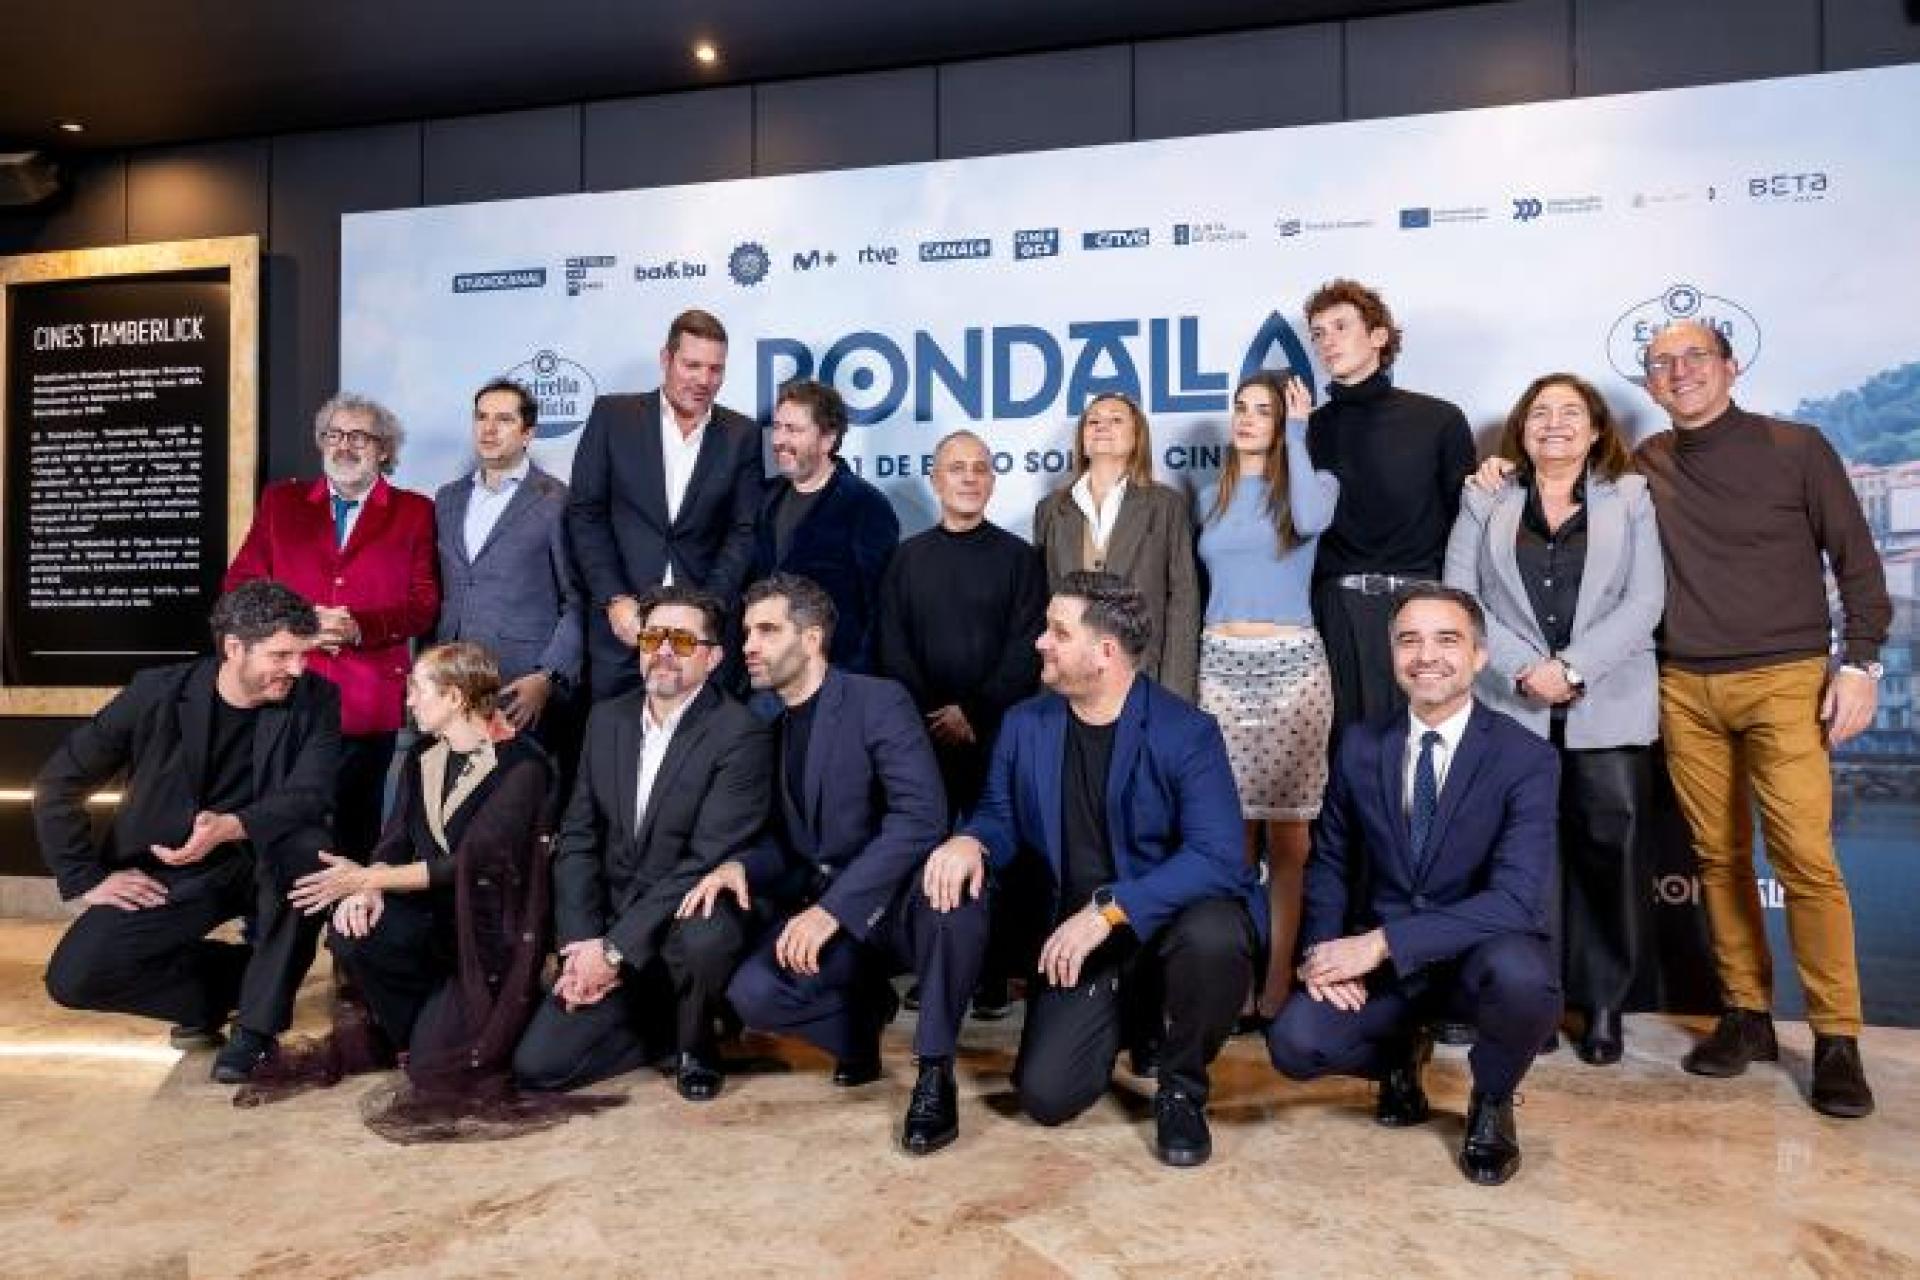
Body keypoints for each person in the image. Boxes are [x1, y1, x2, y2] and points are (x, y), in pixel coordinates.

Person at [921, 571, 1263, 1168]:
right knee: (1046, 1096)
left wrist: (1110, 910)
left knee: (1216, 935)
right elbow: (1000, 814)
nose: (1040, 642)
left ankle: (1181, 1087)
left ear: (1104, 652)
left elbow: (1219, 858)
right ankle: (1130, 1017)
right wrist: (971, 839)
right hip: (1080, 940)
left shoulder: (1187, 732)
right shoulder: (1026, 724)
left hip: (1163, 927)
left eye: (1058, 632)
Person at [1634, 322, 1888, 1115]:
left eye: (1695, 357)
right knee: (1718, 859)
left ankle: (1837, 1038)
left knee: (1805, 859)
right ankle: (1746, 1016)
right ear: (1650, 384)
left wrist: (1862, 664)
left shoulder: (1796, 447)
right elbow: (1567, 480)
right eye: (1662, 363)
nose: (1680, 372)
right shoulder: (1646, 462)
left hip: (1786, 678)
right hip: (1685, 684)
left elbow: (1857, 562)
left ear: (1731, 366)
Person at [1266, 585, 1561, 1187]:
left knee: (1526, 981)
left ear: (1479, 655)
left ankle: (1492, 1099)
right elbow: (1330, 862)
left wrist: (1381, 944)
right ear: (1393, 655)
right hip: (1388, 973)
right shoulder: (1359, 744)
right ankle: (1399, 1057)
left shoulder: (1526, 757)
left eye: (1447, 640)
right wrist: (1324, 955)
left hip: (1475, 958)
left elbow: (1515, 900)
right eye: (1409, 641)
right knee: (1295, 1044)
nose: (1426, 656)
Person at [694, 574, 983, 1156]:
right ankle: (861, 1024)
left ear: (812, 639)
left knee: (953, 899)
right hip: (832, 910)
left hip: (900, 903)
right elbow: (790, 843)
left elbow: (920, 818)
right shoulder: (772, 728)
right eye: (746, 632)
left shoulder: (878, 701)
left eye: (767, 630)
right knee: (753, 993)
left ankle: (935, 1074)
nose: (749, 645)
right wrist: (741, 867)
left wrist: (833, 911)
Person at [36, 581, 341, 1084]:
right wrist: (84, 877)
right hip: (172, 864)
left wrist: (232, 826)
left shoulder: (316, 699)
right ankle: (249, 983)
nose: (297, 669)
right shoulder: (156, 693)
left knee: (309, 851)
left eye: (302, 654)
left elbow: (312, 794)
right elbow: (59, 782)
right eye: (282, 655)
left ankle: (256, 1032)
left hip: (265, 853)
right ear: (234, 647)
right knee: (76, 977)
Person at [1445, 373, 1663, 1065]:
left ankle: (1603, 1006)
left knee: (1609, 859)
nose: (1555, 423)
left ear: (1597, 430)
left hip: (1610, 705)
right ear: (1522, 429)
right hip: (1513, 704)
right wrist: (1523, 670)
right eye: (1540, 412)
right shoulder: (1486, 498)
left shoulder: (1630, 497)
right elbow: (1461, 598)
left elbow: (1644, 601)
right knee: (1520, 862)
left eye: (1571, 412)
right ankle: (1530, 1002)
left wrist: (1571, 669)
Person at [273, 643, 563, 1131]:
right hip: (432, 917)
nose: (408, 701)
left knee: (438, 1071)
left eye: (418, 690)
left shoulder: (523, 766)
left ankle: (439, 1029)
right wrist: (368, 889)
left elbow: (470, 864)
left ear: (455, 697)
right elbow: (395, 839)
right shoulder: (423, 756)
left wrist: (369, 878)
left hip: (489, 931)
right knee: (351, 929)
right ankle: (418, 1027)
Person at [512, 587, 771, 1102]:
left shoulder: (740, 733)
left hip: (679, 923)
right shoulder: (607, 718)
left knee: (706, 933)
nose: (665, 651)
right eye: (653, 637)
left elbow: (703, 861)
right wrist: (581, 945)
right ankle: (659, 1028)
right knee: (538, 1067)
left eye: (683, 640)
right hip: (609, 926)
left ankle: (696, 1041)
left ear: (713, 657)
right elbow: (580, 837)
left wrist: (614, 951)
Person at [876, 429, 1048, 1020]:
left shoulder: (1021, 559)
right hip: (922, 735)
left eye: (980, 467)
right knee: (926, 851)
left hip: (995, 733)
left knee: (997, 852)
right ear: (935, 479)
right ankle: (936, 967)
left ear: (993, 481)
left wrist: (972, 712)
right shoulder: (905, 559)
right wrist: (932, 716)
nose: (969, 477)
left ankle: (993, 973)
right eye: (957, 467)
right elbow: (892, 646)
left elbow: (1027, 647)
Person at [226, 393, 439, 862]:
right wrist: (298, 622)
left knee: (355, 831)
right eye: (334, 435)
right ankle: (276, 910)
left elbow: (423, 606)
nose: (344, 446)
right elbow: (240, 584)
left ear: (384, 448)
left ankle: (350, 908)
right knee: (279, 828)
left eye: (358, 436)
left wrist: (359, 627)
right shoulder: (281, 502)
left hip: (367, 701)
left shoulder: (415, 511)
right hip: (286, 693)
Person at [1194, 370, 1340, 1019]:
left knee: (1289, 842)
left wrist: (1300, 434)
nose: (1248, 419)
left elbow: (1308, 519)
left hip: (1290, 668)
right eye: (1242, 408)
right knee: (1231, 838)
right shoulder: (1209, 495)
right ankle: (1231, 978)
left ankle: (1277, 982)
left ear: (1283, 423)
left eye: (1264, 410)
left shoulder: (1315, 484)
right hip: (1221, 666)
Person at [1303, 280, 1475, 742]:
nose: (1327, 341)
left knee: (1423, 746)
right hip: (1338, 609)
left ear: (1378, 336)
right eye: (1318, 333)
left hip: (1421, 607)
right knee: (1347, 751)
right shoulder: (1307, 431)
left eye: (1341, 326)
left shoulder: (1439, 420)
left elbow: (1465, 524)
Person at [568, 309, 762, 699]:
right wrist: (614, 598)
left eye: (715, 369)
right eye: (692, 365)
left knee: (703, 736)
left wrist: (706, 610)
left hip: (702, 641)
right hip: (622, 631)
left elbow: (743, 531)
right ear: (666, 359)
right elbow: (586, 514)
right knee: (615, 734)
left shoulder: (742, 434)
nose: (704, 380)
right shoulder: (612, 417)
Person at [433, 378, 583, 750]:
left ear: (527, 433)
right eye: (481, 417)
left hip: (519, 690)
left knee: (518, 784)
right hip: (450, 685)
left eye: (503, 419)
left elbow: (577, 600)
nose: (489, 429)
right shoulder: (447, 499)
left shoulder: (556, 501)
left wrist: (548, 676)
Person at [1032, 394, 1200, 700]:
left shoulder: (1166, 505)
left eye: (1116, 420)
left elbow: (1183, 601)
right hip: (1070, 680)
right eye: (1093, 421)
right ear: (1083, 440)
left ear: (1137, 437)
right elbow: (1042, 600)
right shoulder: (1051, 510)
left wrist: (1174, 694)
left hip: (1142, 676)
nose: (1102, 426)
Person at [749, 379, 899, 673]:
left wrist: (856, 678)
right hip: (770, 674)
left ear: (828, 439)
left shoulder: (864, 505)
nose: (779, 439)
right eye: (777, 427)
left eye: (793, 430)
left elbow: (881, 607)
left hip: (837, 676)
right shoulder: (765, 500)